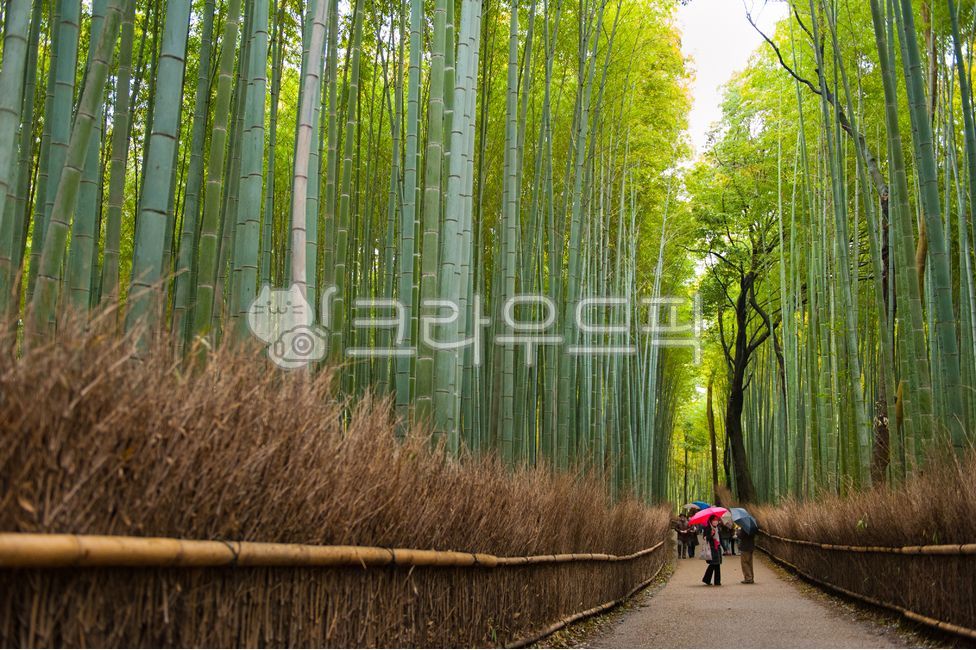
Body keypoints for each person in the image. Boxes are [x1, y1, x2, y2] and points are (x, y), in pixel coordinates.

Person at [701, 515, 722, 586]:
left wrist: (725, 548)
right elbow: (706, 538)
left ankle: (717, 582)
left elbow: (720, 539)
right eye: (714, 520)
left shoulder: (717, 528)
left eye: (717, 520)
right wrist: (711, 534)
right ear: (711, 521)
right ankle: (707, 579)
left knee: (717, 565)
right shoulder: (707, 528)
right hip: (711, 548)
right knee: (713, 564)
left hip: (717, 548)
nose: (716, 522)